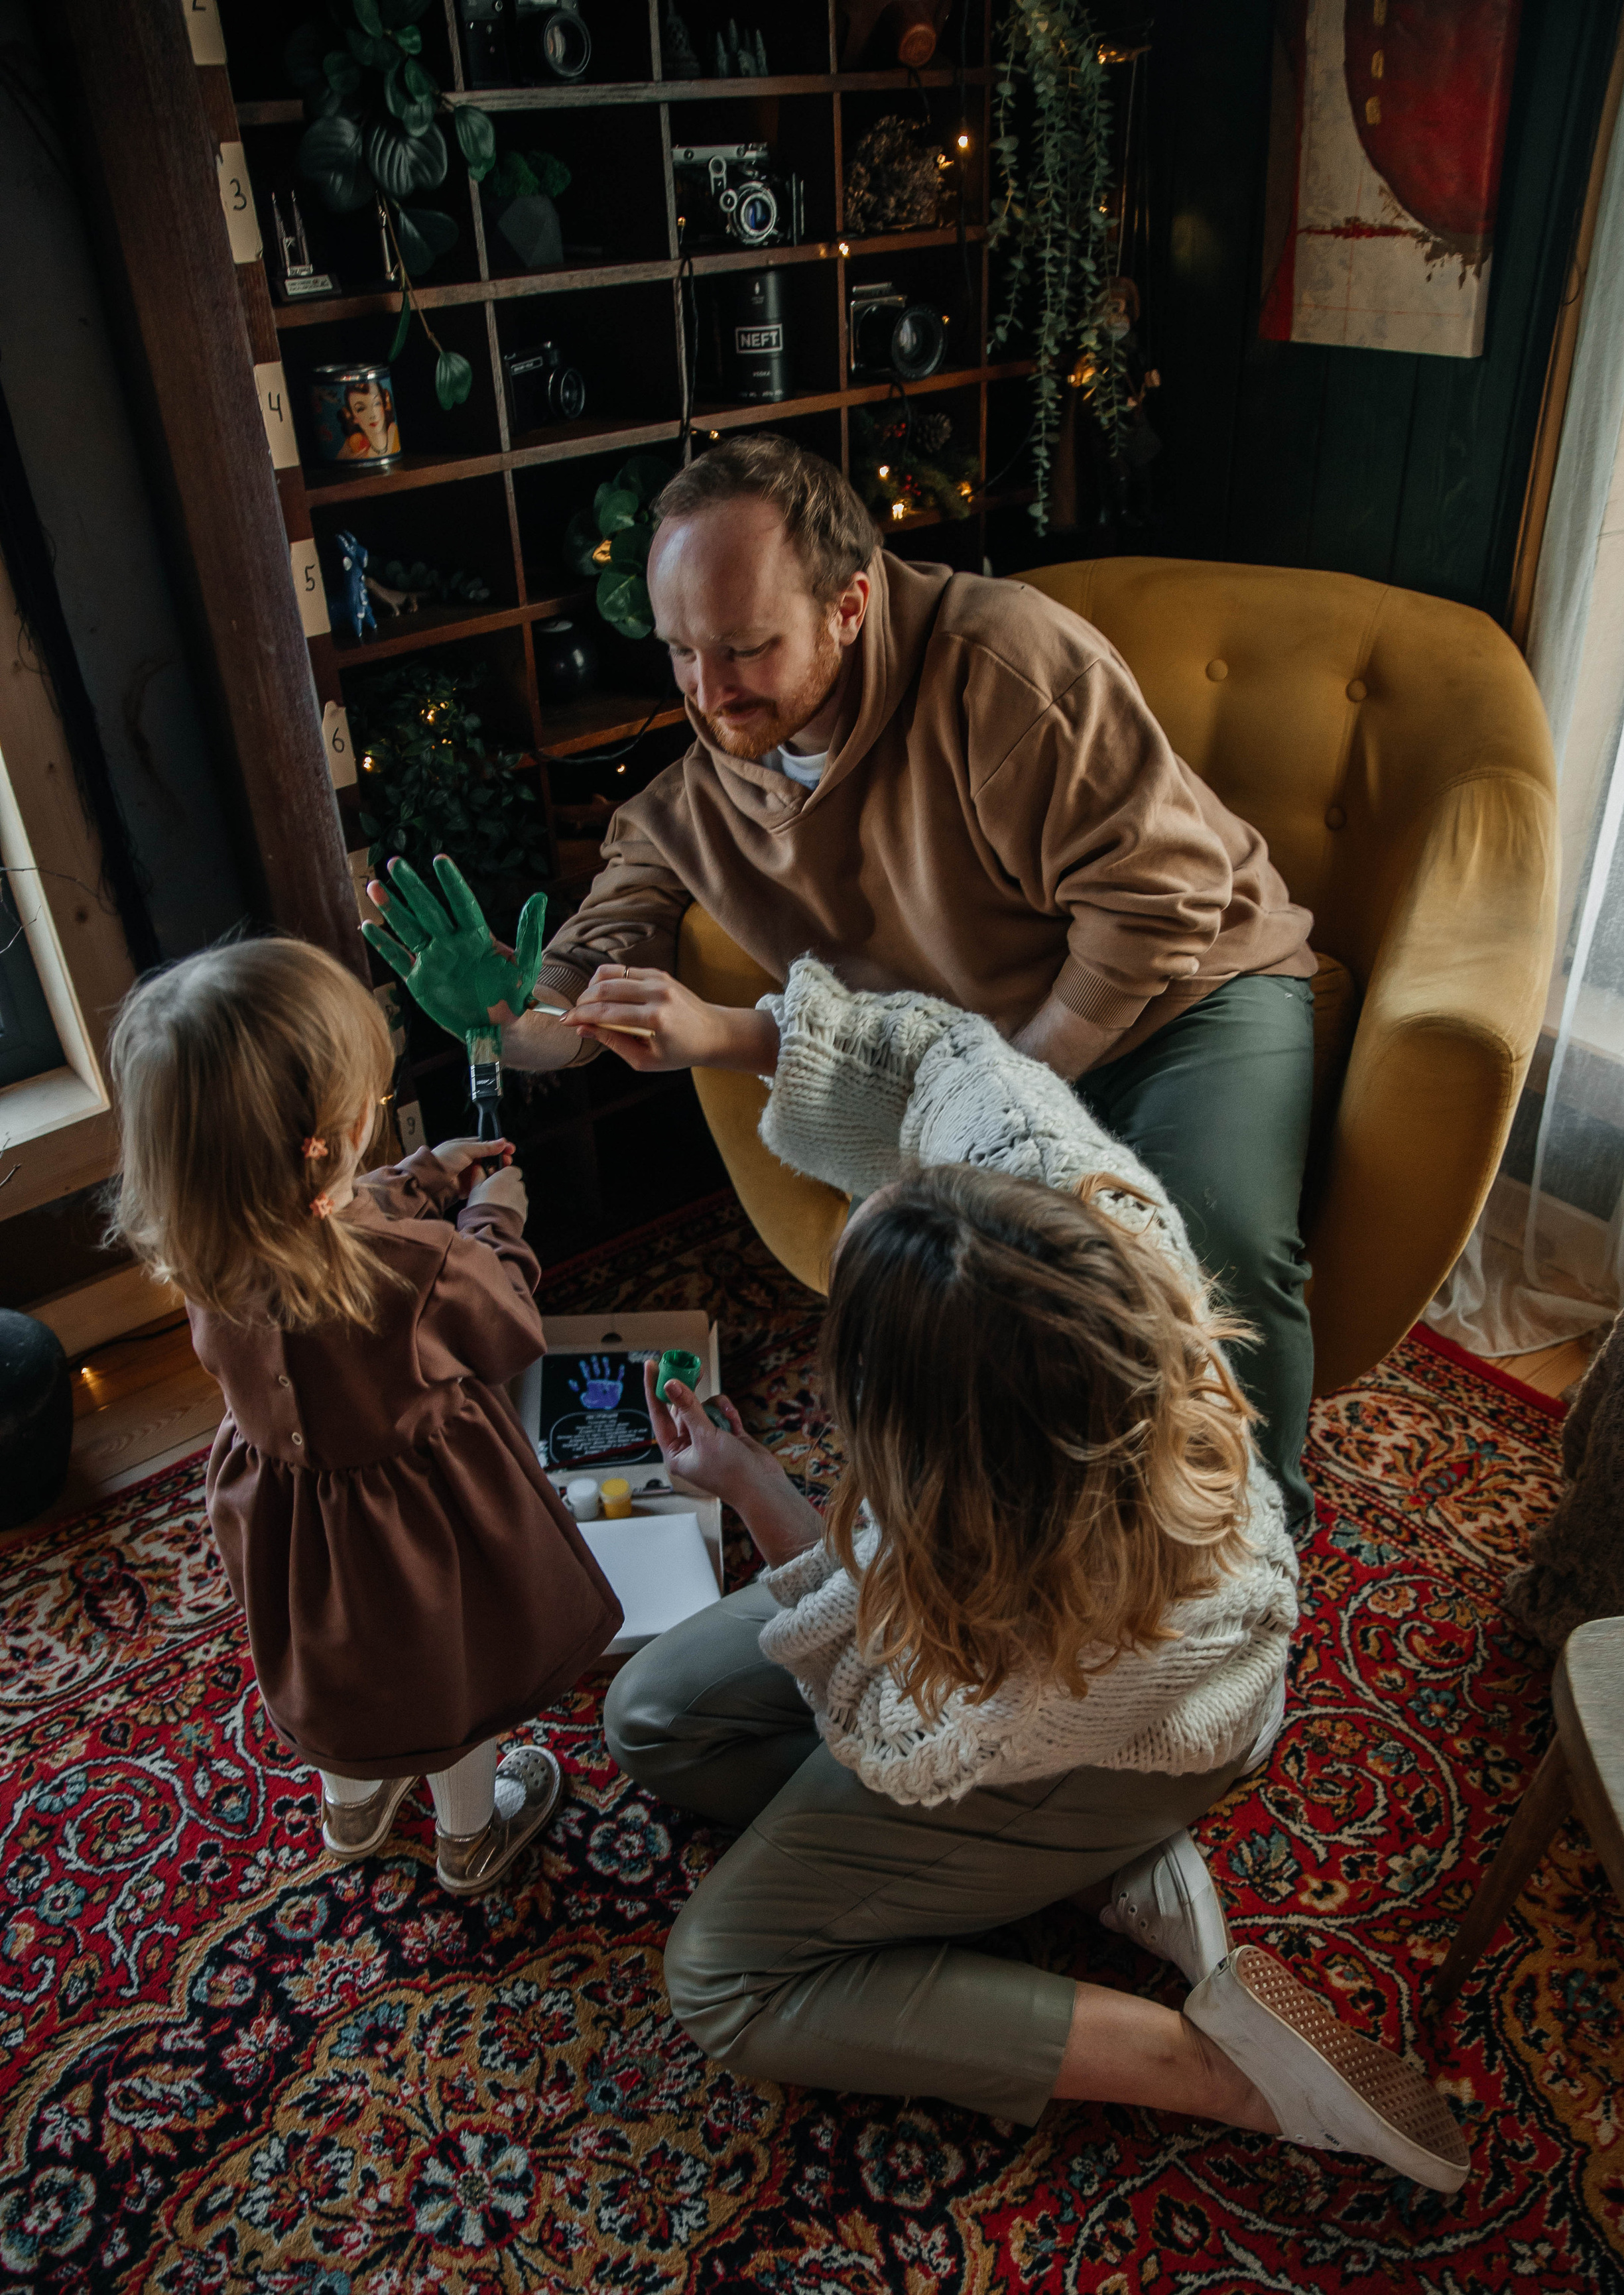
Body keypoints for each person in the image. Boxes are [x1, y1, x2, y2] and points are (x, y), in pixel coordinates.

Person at [568, 954, 1466, 2194]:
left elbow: (889, 1719)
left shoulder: (1050, 1625)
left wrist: (767, 1499)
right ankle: (1066, 1867)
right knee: (652, 1719)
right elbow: (941, 1054)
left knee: (719, 1977)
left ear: (943, 1462)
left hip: (1116, 1729)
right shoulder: (1064, 1202)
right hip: (1013, 1664)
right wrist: (721, 1028)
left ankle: (1210, 2062)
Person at [475, 434, 1319, 1528]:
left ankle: (1262, 1540)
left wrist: (1002, 1097)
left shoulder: (1007, 667)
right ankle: (1057, 1543)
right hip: (976, 1050)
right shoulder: (701, 783)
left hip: (1191, 990)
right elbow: (599, 955)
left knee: (1215, 1246)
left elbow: (1160, 898)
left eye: (744, 648)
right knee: (958, 1305)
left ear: (850, 603)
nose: (707, 692)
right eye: (680, 652)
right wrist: (515, 1024)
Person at [105, 938, 621, 1894]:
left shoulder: (205, 1250)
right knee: (451, 1680)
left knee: (343, 1674)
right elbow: (508, 1329)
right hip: (421, 1522)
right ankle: (471, 1834)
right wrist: (492, 1222)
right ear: (333, 1136)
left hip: (294, 1521)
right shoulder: (421, 1269)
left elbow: (322, 1225)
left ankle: (351, 1807)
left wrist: (421, 1176)